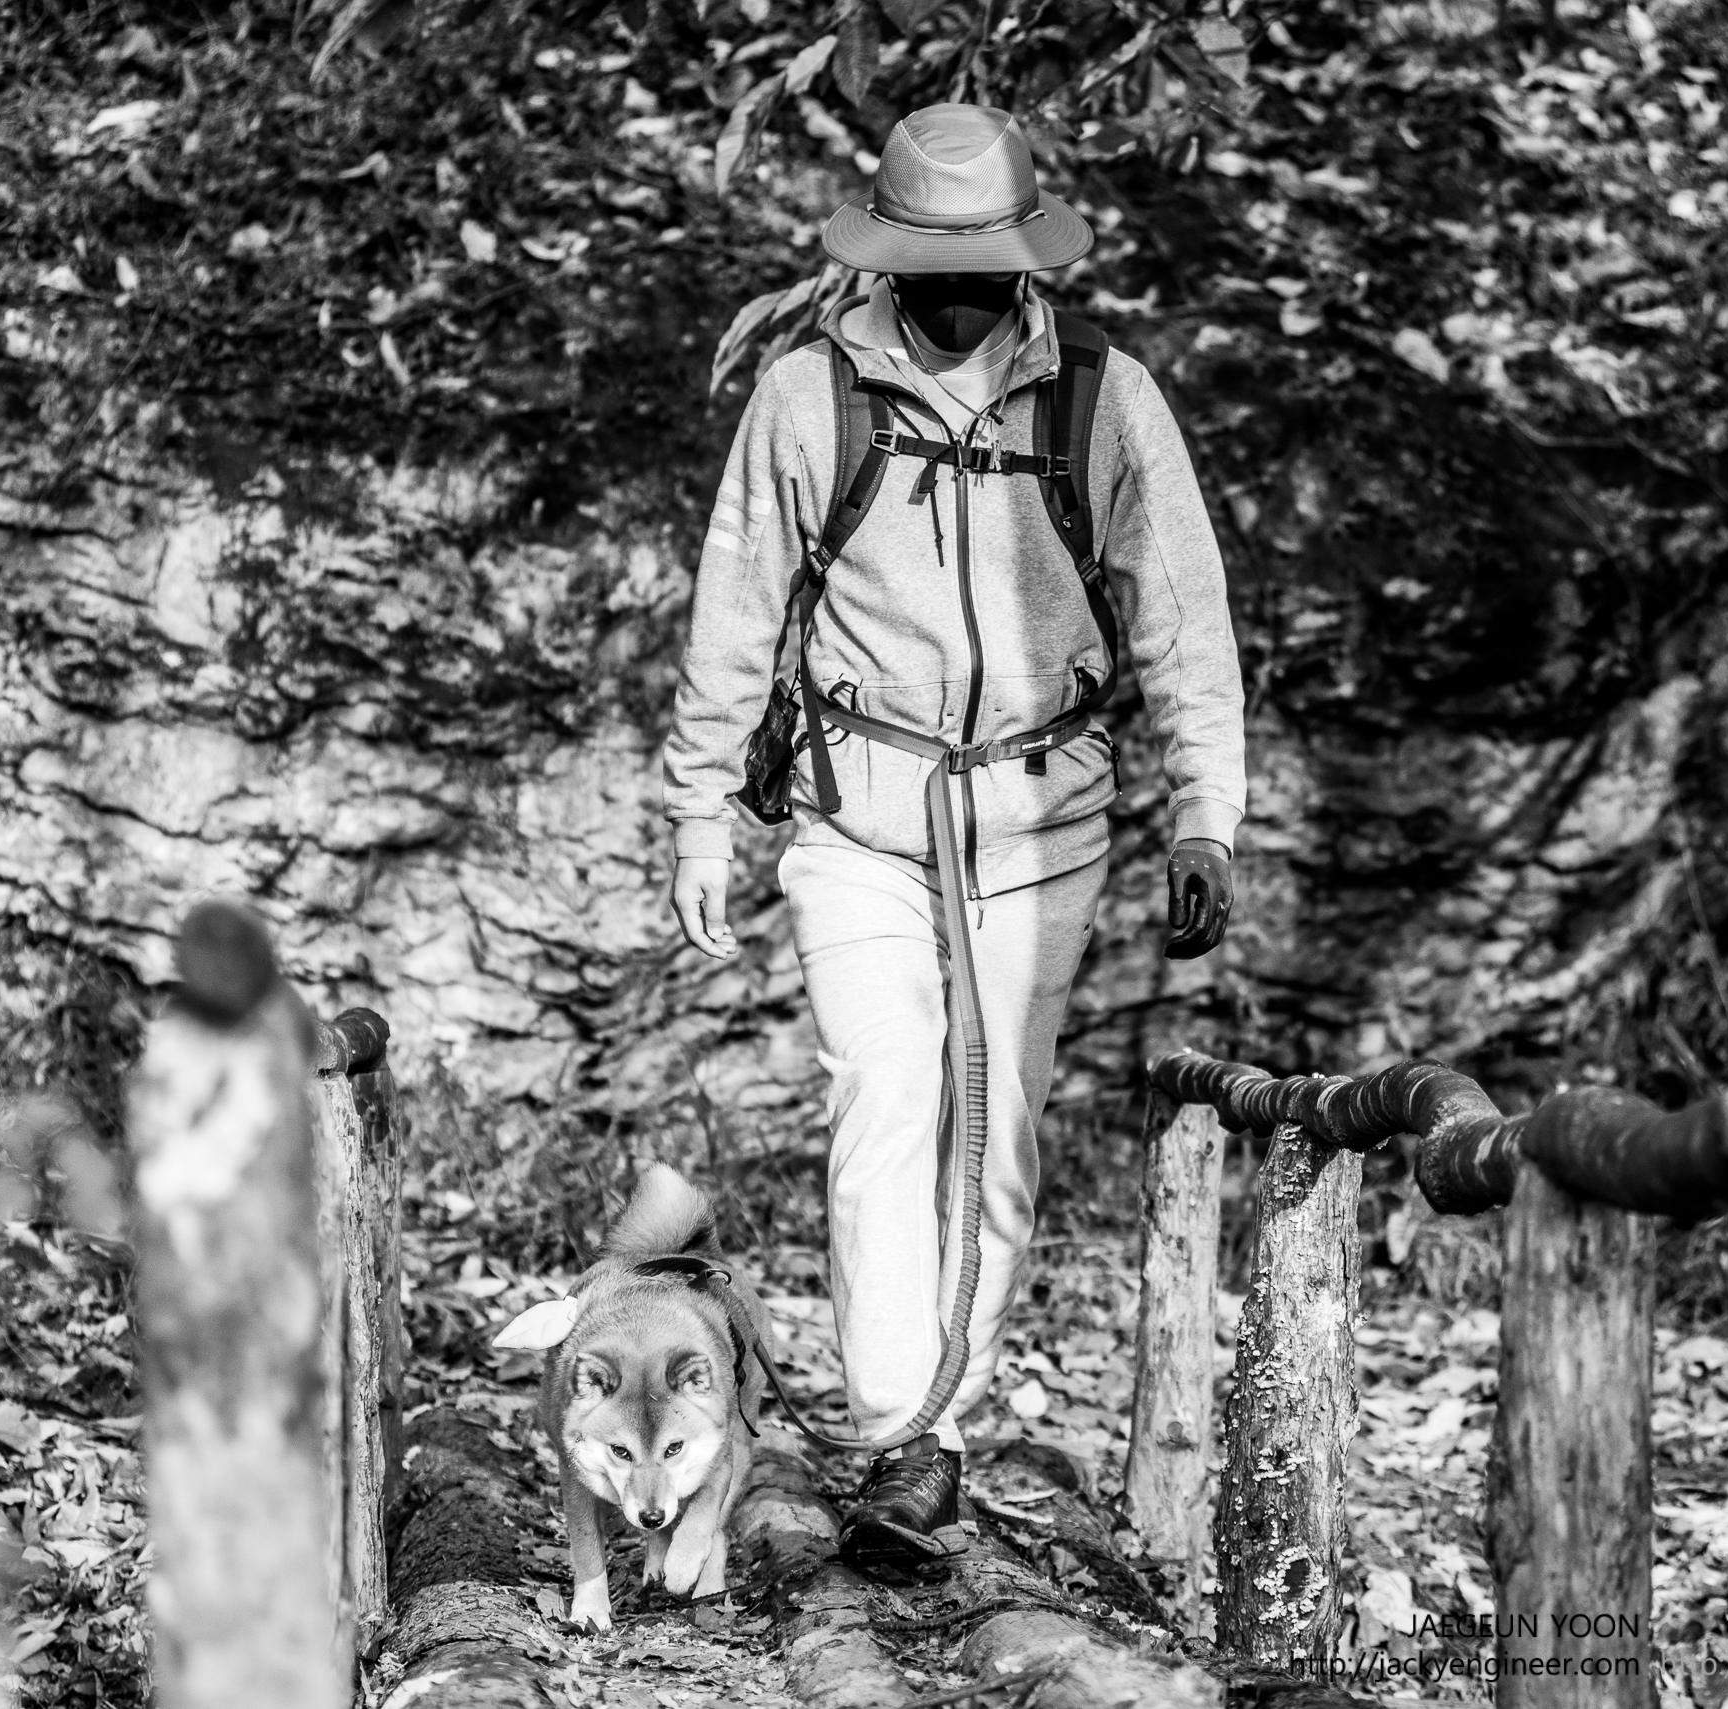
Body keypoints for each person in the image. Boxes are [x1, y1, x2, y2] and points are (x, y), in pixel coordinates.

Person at [660, 102, 1246, 1570]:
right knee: (885, 1094)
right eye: (936, 258)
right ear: (889, 255)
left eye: (984, 258)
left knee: (998, 1133)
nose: (961, 285)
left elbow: (1184, 619)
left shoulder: (1105, 400)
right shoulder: (808, 397)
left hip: (1044, 820)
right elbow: (734, 613)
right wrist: (698, 811)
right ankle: (899, 1438)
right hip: (859, 811)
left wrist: (1207, 816)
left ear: (1027, 254)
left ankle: (943, 1410)